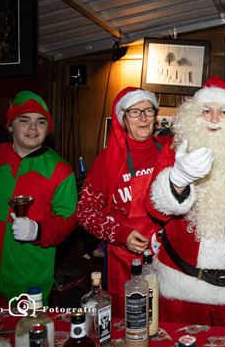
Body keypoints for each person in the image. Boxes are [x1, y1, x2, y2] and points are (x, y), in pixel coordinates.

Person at [146, 76, 225, 327]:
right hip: (180, 290)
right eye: (206, 110)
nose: (212, 118)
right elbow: (154, 208)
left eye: (223, 111)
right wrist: (178, 179)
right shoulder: (173, 151)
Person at [0, 90, 78, 309]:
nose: (33, 128)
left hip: (30, 289)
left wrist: (38, 230)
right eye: (24, 120)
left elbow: (69, 220)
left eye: (41, 121)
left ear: (48, 129)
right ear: (10, 126)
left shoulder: (60, 170)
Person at [76, 87, 171, 317]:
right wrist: (120, 234)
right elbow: (85, 212)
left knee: (165, 320)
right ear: (123, 119)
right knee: (130, 320)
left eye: (148, 110)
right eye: (134, 112)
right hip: (123, 261)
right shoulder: (106, 161)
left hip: (167, 258)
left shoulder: (169, 152)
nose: (143, 118)